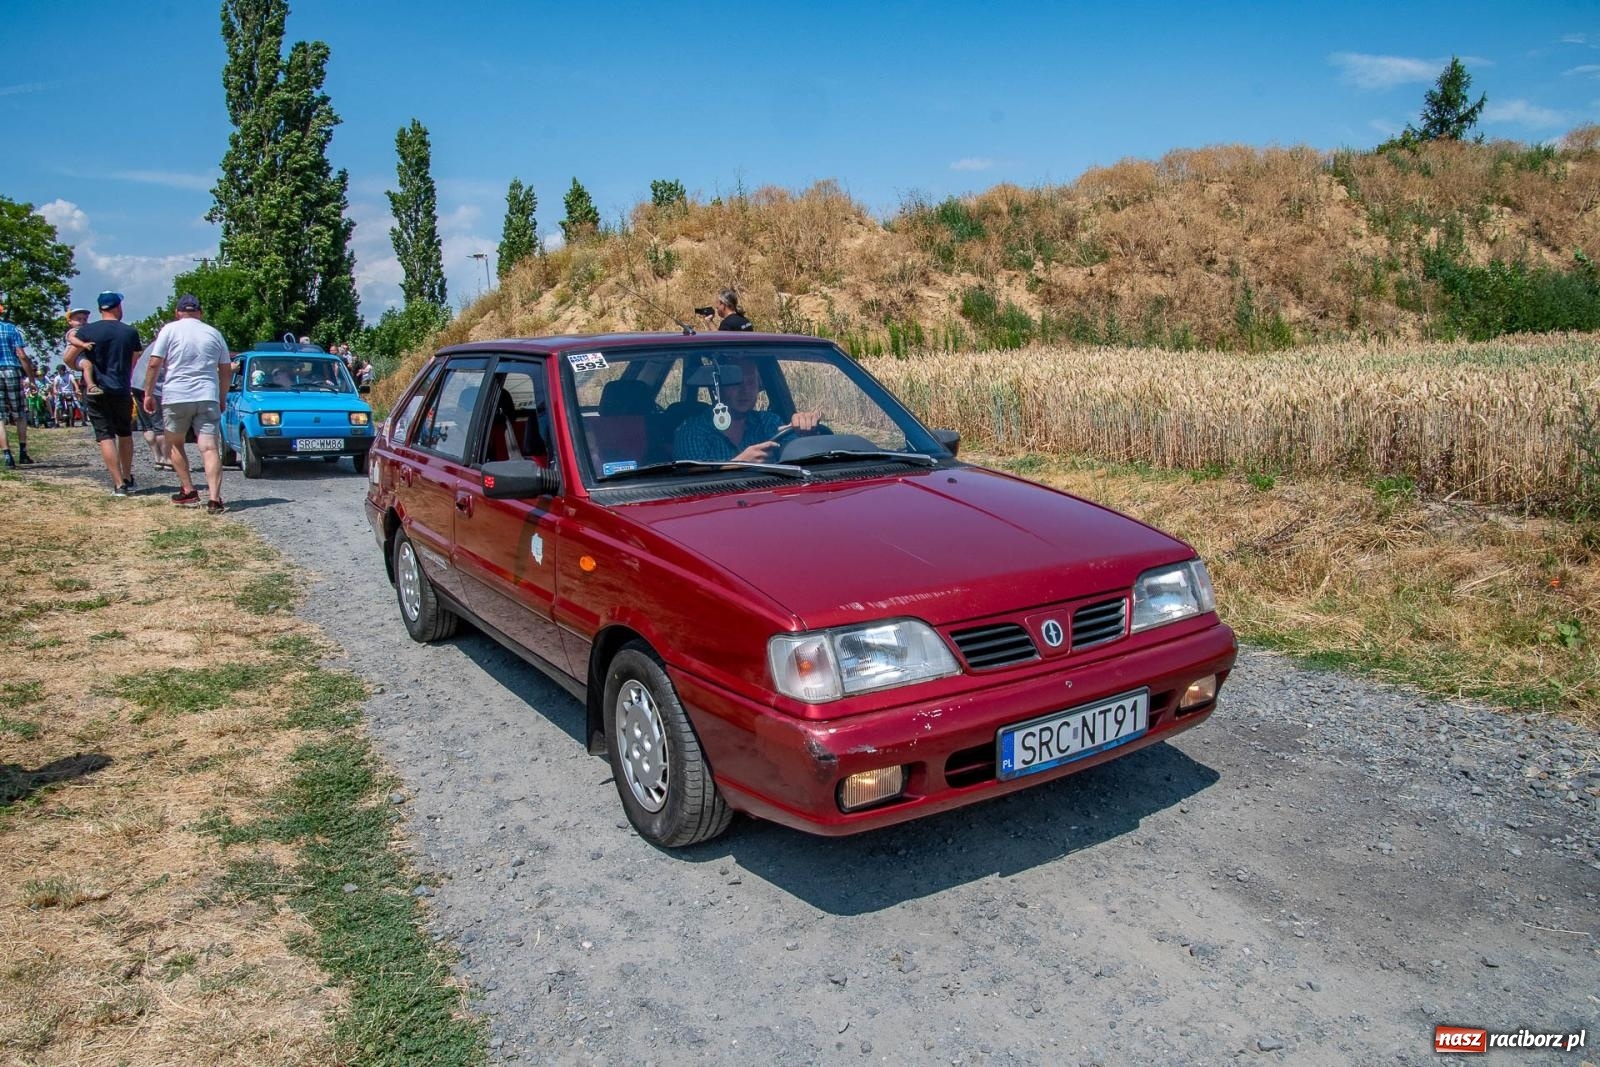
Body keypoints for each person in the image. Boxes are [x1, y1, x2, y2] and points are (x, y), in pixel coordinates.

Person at [143, 293, 231, 513]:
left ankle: (189, 490)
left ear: (177, 312)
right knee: (209, 447)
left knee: (174, 443)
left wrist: (148, 393)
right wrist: (222, 397)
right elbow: (225, 370)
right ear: (200, 312)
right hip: (207, 395)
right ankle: (214, 498)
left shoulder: (169, 330)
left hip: (176, 396)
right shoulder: (214, 333)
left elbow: (154, 364)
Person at [672, 357, 819, 462]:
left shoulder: (768, 422)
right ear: (717, 387)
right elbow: (693, 486)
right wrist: (738, 465)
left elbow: (799, 457)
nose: (744, 390)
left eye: (750, 382)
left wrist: (804, 432)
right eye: (735, 383)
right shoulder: (692, 432)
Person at [67, 291, 142, 495]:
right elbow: (135, 360)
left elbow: (68, 358)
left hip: (96, 389)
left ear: (101, 309)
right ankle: (127, 476)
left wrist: (83, 365)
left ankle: (118, 485)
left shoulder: (87, 331)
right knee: (125, 433)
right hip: (120, 387)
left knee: (105, 436)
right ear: (118, 307)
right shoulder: (130, 332)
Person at [0, 296, 38, 468]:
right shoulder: (11, 329)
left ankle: (7, 454)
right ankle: (23, 452)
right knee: (19, 413)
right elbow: (22, 355)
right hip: (12, 371)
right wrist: (31, 379)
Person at [130, 327, 170, 469]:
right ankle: (167, 460)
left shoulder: (151, 345)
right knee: (160, 426)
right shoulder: (165, 347)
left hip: (135, 385)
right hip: (150, 387)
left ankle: (157, 458)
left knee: (147, 425)